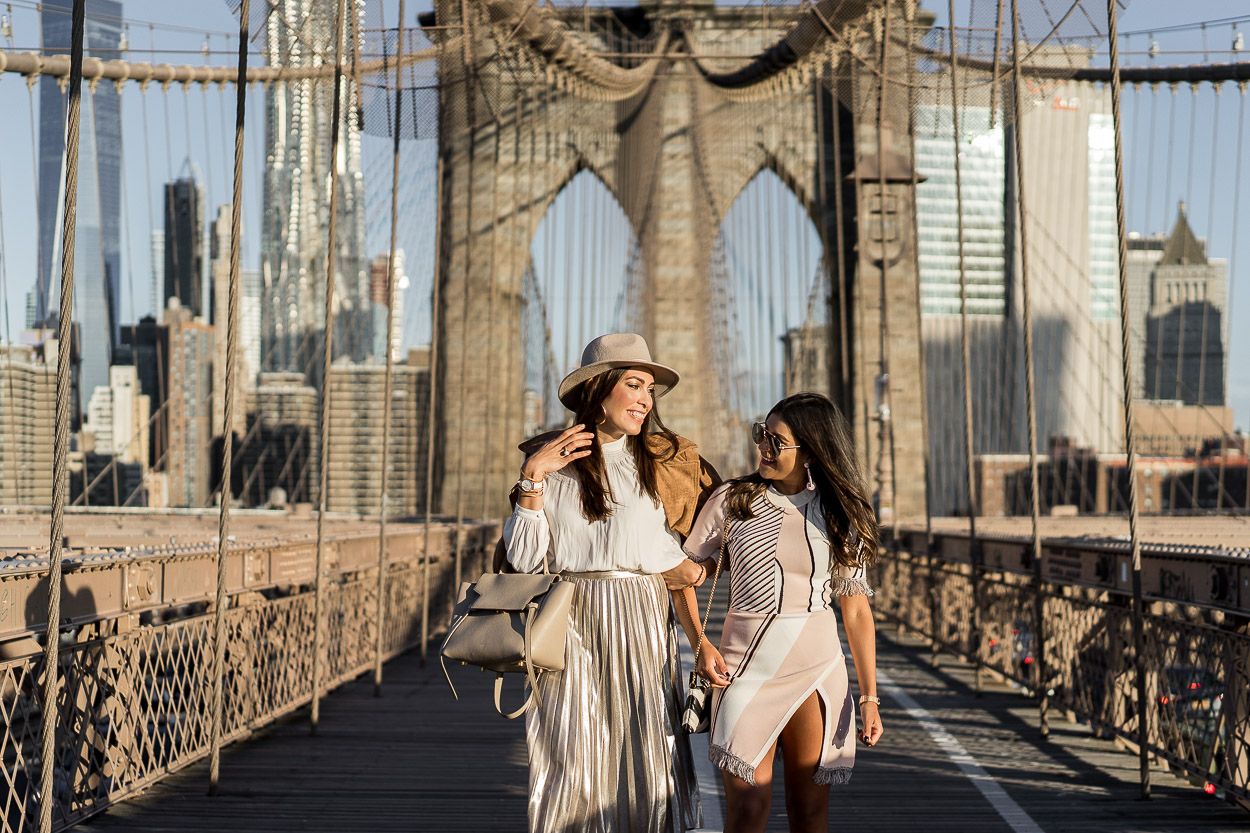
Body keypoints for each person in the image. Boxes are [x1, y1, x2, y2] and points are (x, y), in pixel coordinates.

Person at [504, 332, 719, 833]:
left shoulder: (664, 465)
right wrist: (533, 477)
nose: (645, 399)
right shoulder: (553, 465)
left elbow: (681, 561)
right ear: (598, 392)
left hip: (642, 621)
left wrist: (699, 622)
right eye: (633, 384)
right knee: (574, 760)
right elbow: (523, 561)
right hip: (570, 621)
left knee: (648, 757)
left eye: (649, 389)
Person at [674, 392, 884, 833]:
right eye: (761, 435)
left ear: (810, 449)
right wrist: (699, 643)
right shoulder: (733, 499)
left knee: (808, 812)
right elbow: (680, 575)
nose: (763, 448)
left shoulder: (838, 511)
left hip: (816, 667)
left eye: (776, 440)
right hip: (742, 668)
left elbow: (857, 610)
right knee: (748, 811)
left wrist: (869, 698)